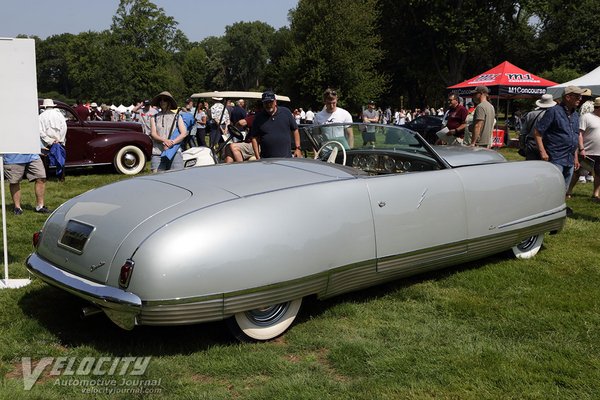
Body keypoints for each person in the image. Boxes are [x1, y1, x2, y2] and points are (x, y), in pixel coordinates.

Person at [534, 85, 584, 191]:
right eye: (577, 96)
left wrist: (575, 157)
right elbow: (538, 132)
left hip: (569, 159)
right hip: (555, 157)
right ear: (568, 97)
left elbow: (574, 135)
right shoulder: (553, 111)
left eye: (580, 96)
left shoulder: (575, 114)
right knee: (553, 189)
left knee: (564, 190)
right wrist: (543, 152)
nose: (580, 99)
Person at [250, 90, 302, 159]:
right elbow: (254, 138)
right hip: (266, 160)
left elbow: (295, 129)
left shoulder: (286, 112)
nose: (268, 105)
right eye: (266, 103)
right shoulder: (258, 118)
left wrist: (298, 148)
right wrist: (257, 156)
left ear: (275, 102)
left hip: (286, 158)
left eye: (270, 102)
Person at [567, 96, 600, 201]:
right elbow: (579, 134)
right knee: (577, 173)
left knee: (599, 174)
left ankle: (596, 194)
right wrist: (581, 148)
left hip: (599, 152)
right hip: (586, 151)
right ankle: (569, 190)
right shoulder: (586, 117)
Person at [149, 91, 188, 172]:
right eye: (161, 100)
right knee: (157, 179)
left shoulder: (177, 116)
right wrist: (165, 140)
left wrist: (172, 142)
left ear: (169, 102)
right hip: (158, 153)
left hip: (174, 152)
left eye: (165, 100)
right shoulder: (154, 117)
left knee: (177, 178)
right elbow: (153, 134)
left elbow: (184, 133)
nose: (162, 102)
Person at [519, 94, 556, 160]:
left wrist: (522, 146)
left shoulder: (531, 114)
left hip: (531, 143)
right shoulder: (552, 114)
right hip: (546, 143)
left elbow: (523, 132)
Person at [38, 98, 67, 180]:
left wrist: (49, 140)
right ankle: (61, 177)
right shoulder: (59, 115)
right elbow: (64, 127)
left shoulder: (40, 116)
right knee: (60, 158)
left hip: (46, 142)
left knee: (45, 160)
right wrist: (60, 139)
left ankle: (46, 176)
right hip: (59, 140)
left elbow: (40, 131)